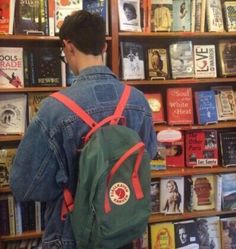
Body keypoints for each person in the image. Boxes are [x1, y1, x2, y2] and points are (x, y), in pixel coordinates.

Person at [9, 10, 157, 249]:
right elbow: (147, 155)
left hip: (72, 235)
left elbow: (24, 185)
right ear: (104, 48)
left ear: (68, 46)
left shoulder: (54, 110)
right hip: (123, 227)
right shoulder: (138, 101)